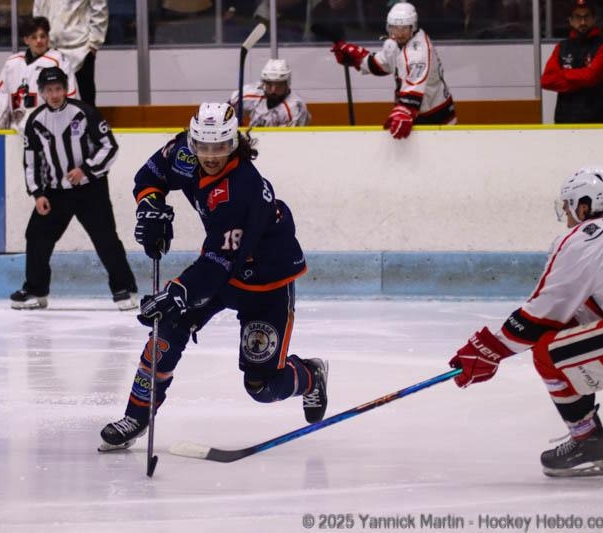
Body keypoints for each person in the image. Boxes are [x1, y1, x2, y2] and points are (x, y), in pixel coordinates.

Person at [97, 102, 328, 451]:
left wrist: (178, 291)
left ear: (232, 143)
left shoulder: (241, 188)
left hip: (265, 281)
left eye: (219, 146)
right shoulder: (184, 153)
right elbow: (149, 176)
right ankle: (138, 414)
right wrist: (150, 203)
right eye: (203, 145)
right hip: (219, 270)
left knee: (261, 387)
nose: (210, 155)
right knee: (168, 330)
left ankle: (310, 376)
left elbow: (221, 261)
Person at [448, 166, 603, 478]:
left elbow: (540, 315)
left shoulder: (585, 239)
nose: (568, 217)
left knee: (548, 349)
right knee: (573, 329)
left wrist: (486, 350)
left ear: (584, 206)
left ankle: (587, 440)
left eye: (568, 208)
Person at [12, 66, 138, 311]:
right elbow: (31, 160)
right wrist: (38, 194)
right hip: (55, 193)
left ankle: (125, 288)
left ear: (65, 88)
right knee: (36, 237)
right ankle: (36, 290)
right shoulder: (35, 121)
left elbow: (109, 146)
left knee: (105, 239)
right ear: (42, 92)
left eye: (58, 88)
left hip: (90, 190)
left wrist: (86, 170)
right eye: (49, 90)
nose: (55, 94)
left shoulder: (84, 113)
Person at [330, 1, 455, 139]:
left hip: (436, 115)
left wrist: (403, 112)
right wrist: (356, 58)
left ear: (412, 27)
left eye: (404, 28)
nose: (399, 34)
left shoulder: (418, 52)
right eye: (395, 28)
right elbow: (381, 65)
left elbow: (413, 89)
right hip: (417, 113)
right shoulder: (394, 43)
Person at [0, 16, 78, 131]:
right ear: (26, 40)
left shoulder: (59, 61)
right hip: (14, 130)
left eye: (42, 36)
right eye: (34, 37)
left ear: (48, 38)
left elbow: (71, 97)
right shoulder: (11, 63)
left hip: (48, 128)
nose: (39, 41)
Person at [540, 0, 603, 124]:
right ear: (570, 20)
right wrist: (583, 79)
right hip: (563, 121)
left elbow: (591, 76)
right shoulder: (561, 47)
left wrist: (563, 74)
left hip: (595, 123)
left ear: (594, 19)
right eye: (578, 17)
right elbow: (546, 80)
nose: (583, 22)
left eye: (586, 17)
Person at [33, 0, 107, 107]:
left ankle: (90, 123)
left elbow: (100, 9)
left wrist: (94, 43)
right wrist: (41, 39)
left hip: (81, 50)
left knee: (86, 102)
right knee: (48, 98)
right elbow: (38, 11)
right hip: (51, 49)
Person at [229, 58, 312, 127]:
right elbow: (228, 111)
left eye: (279, 85)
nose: (273, 90)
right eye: (269, 84)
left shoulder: (296, 108)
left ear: (287, 84)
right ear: (264, 83)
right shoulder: (250, 94)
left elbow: (293, 139)